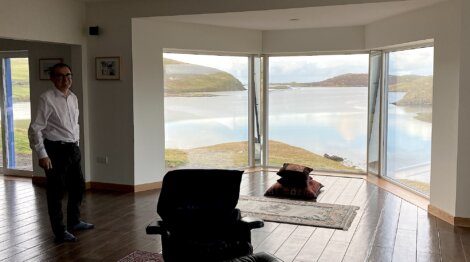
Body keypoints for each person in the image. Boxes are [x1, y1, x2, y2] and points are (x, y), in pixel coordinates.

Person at [28, 63, 94, 243]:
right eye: (60, 76)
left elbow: (75, 124)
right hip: (55, 150)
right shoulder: (46, 98)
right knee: (56, 192)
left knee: (78, 187)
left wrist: (77, 144)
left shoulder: (73, 97)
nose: (65, 79)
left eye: (68, 75)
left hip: (72, 149)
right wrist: (42, 154)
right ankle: (59, 231)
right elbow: (35, 128)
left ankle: (74, 221)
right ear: (52, 78)